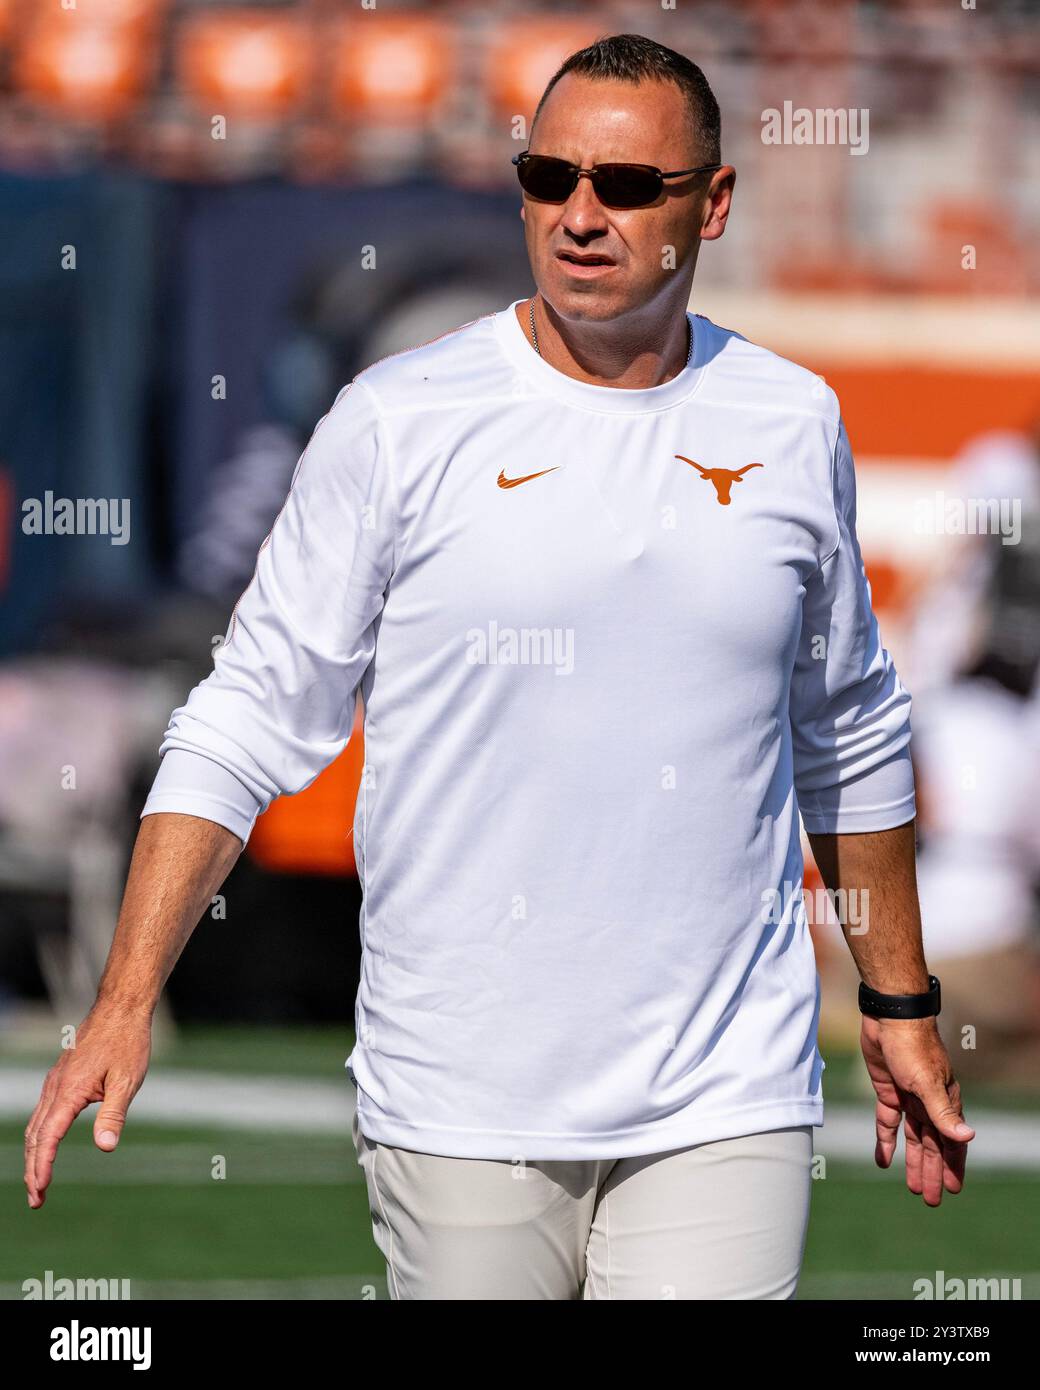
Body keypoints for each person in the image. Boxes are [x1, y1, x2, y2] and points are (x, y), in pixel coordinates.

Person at [23, 33, 974, 1300]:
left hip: (724, 1090)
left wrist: (899, 1004)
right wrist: (125, 993)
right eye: (548, 176)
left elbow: (847, 729)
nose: (580, 216)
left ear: (715, 203)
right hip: (456, 1095)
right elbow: (245, 717)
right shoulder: (396, 420)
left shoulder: (790, 420)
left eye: (627, 187)